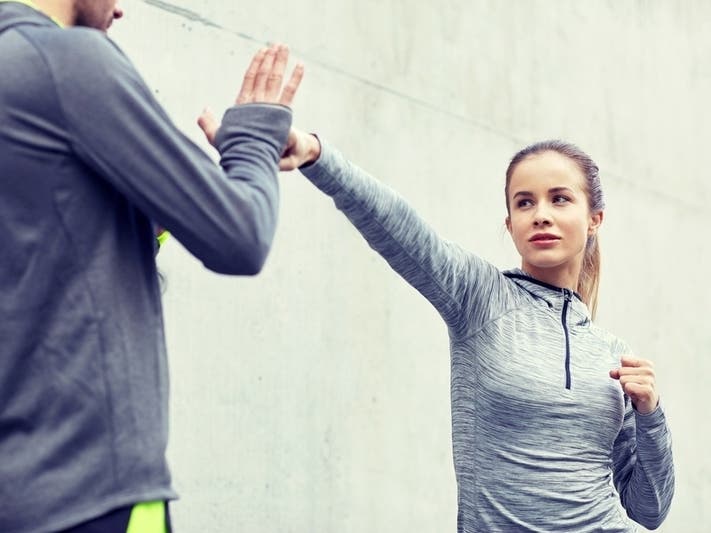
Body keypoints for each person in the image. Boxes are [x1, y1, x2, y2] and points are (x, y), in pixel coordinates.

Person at [266, 128, 675, 531]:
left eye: (560, 199)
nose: (541, 215)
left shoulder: (612, 353)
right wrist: (317, 156)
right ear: (510, 223)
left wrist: (650, 415)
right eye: (524, 202)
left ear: (594, 220)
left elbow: (648, 510)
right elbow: (404, 231)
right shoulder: (480, 298)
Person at [0, 0, 303, 531]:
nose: (119, 10)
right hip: (91, 497)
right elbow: (240, 233)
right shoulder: (69, 61)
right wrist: (254, 136)